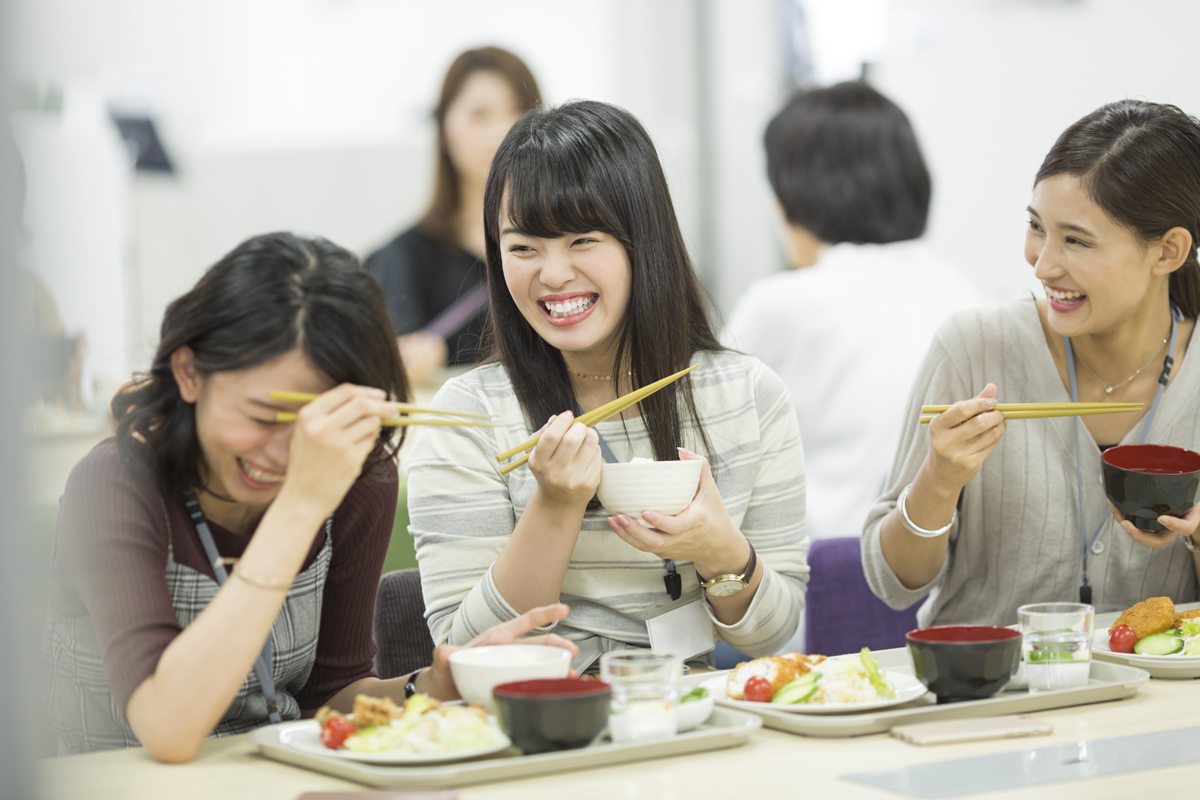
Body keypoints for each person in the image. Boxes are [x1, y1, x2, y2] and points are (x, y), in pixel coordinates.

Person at [43, 232, 577, 761]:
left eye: (317, 424)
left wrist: (434, 683)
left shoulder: (357, 478)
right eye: (260, 416)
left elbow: (331, 696)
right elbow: (167, 727)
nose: (285, 453)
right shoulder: (116, 484)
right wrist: (300, 503)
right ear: (189, 374)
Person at [406, 101, 809, 672]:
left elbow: (769, 636)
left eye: (582, 241)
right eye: (523, 248)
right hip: (537, 725)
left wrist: (717, 550)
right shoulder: (466, 418)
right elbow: (461, 653)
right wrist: (555, 506)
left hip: (686, 720)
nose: (551, 275)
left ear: (643, 240)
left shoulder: (747, 395)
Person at [862, 100, 1200, 627]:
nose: (1042, 264)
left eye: (1076, 241)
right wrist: (939, 480)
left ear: (1168, 252)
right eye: (1037, 227)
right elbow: (892, 582)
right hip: (988, 694)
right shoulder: (974, 347)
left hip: (1158, 702)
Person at [724, 82, 980, 544]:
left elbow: (701, 442)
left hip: (827, 583)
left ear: (797, 194)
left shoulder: (785, 305)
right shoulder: (967, 295)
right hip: (951, 579)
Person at [367, 47, 541, 386]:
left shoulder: (563, 250)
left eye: (519, 112)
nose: (503, 131)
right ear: (444, 129)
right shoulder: (398, 259)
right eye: (480, 114)